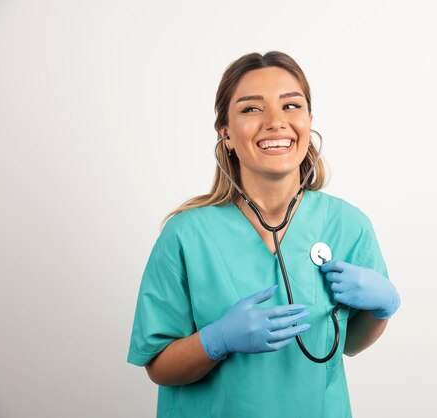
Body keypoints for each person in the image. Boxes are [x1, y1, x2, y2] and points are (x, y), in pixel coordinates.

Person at [127, 51, 401, 418]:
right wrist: (217, 340)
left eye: (291, 106)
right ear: (225, 132)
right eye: (252, 109)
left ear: (309, 120)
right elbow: (158, 366)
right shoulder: (186, 235)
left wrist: (382, 309)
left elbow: (348, 344)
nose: (276, 122)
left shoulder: (349, 225)